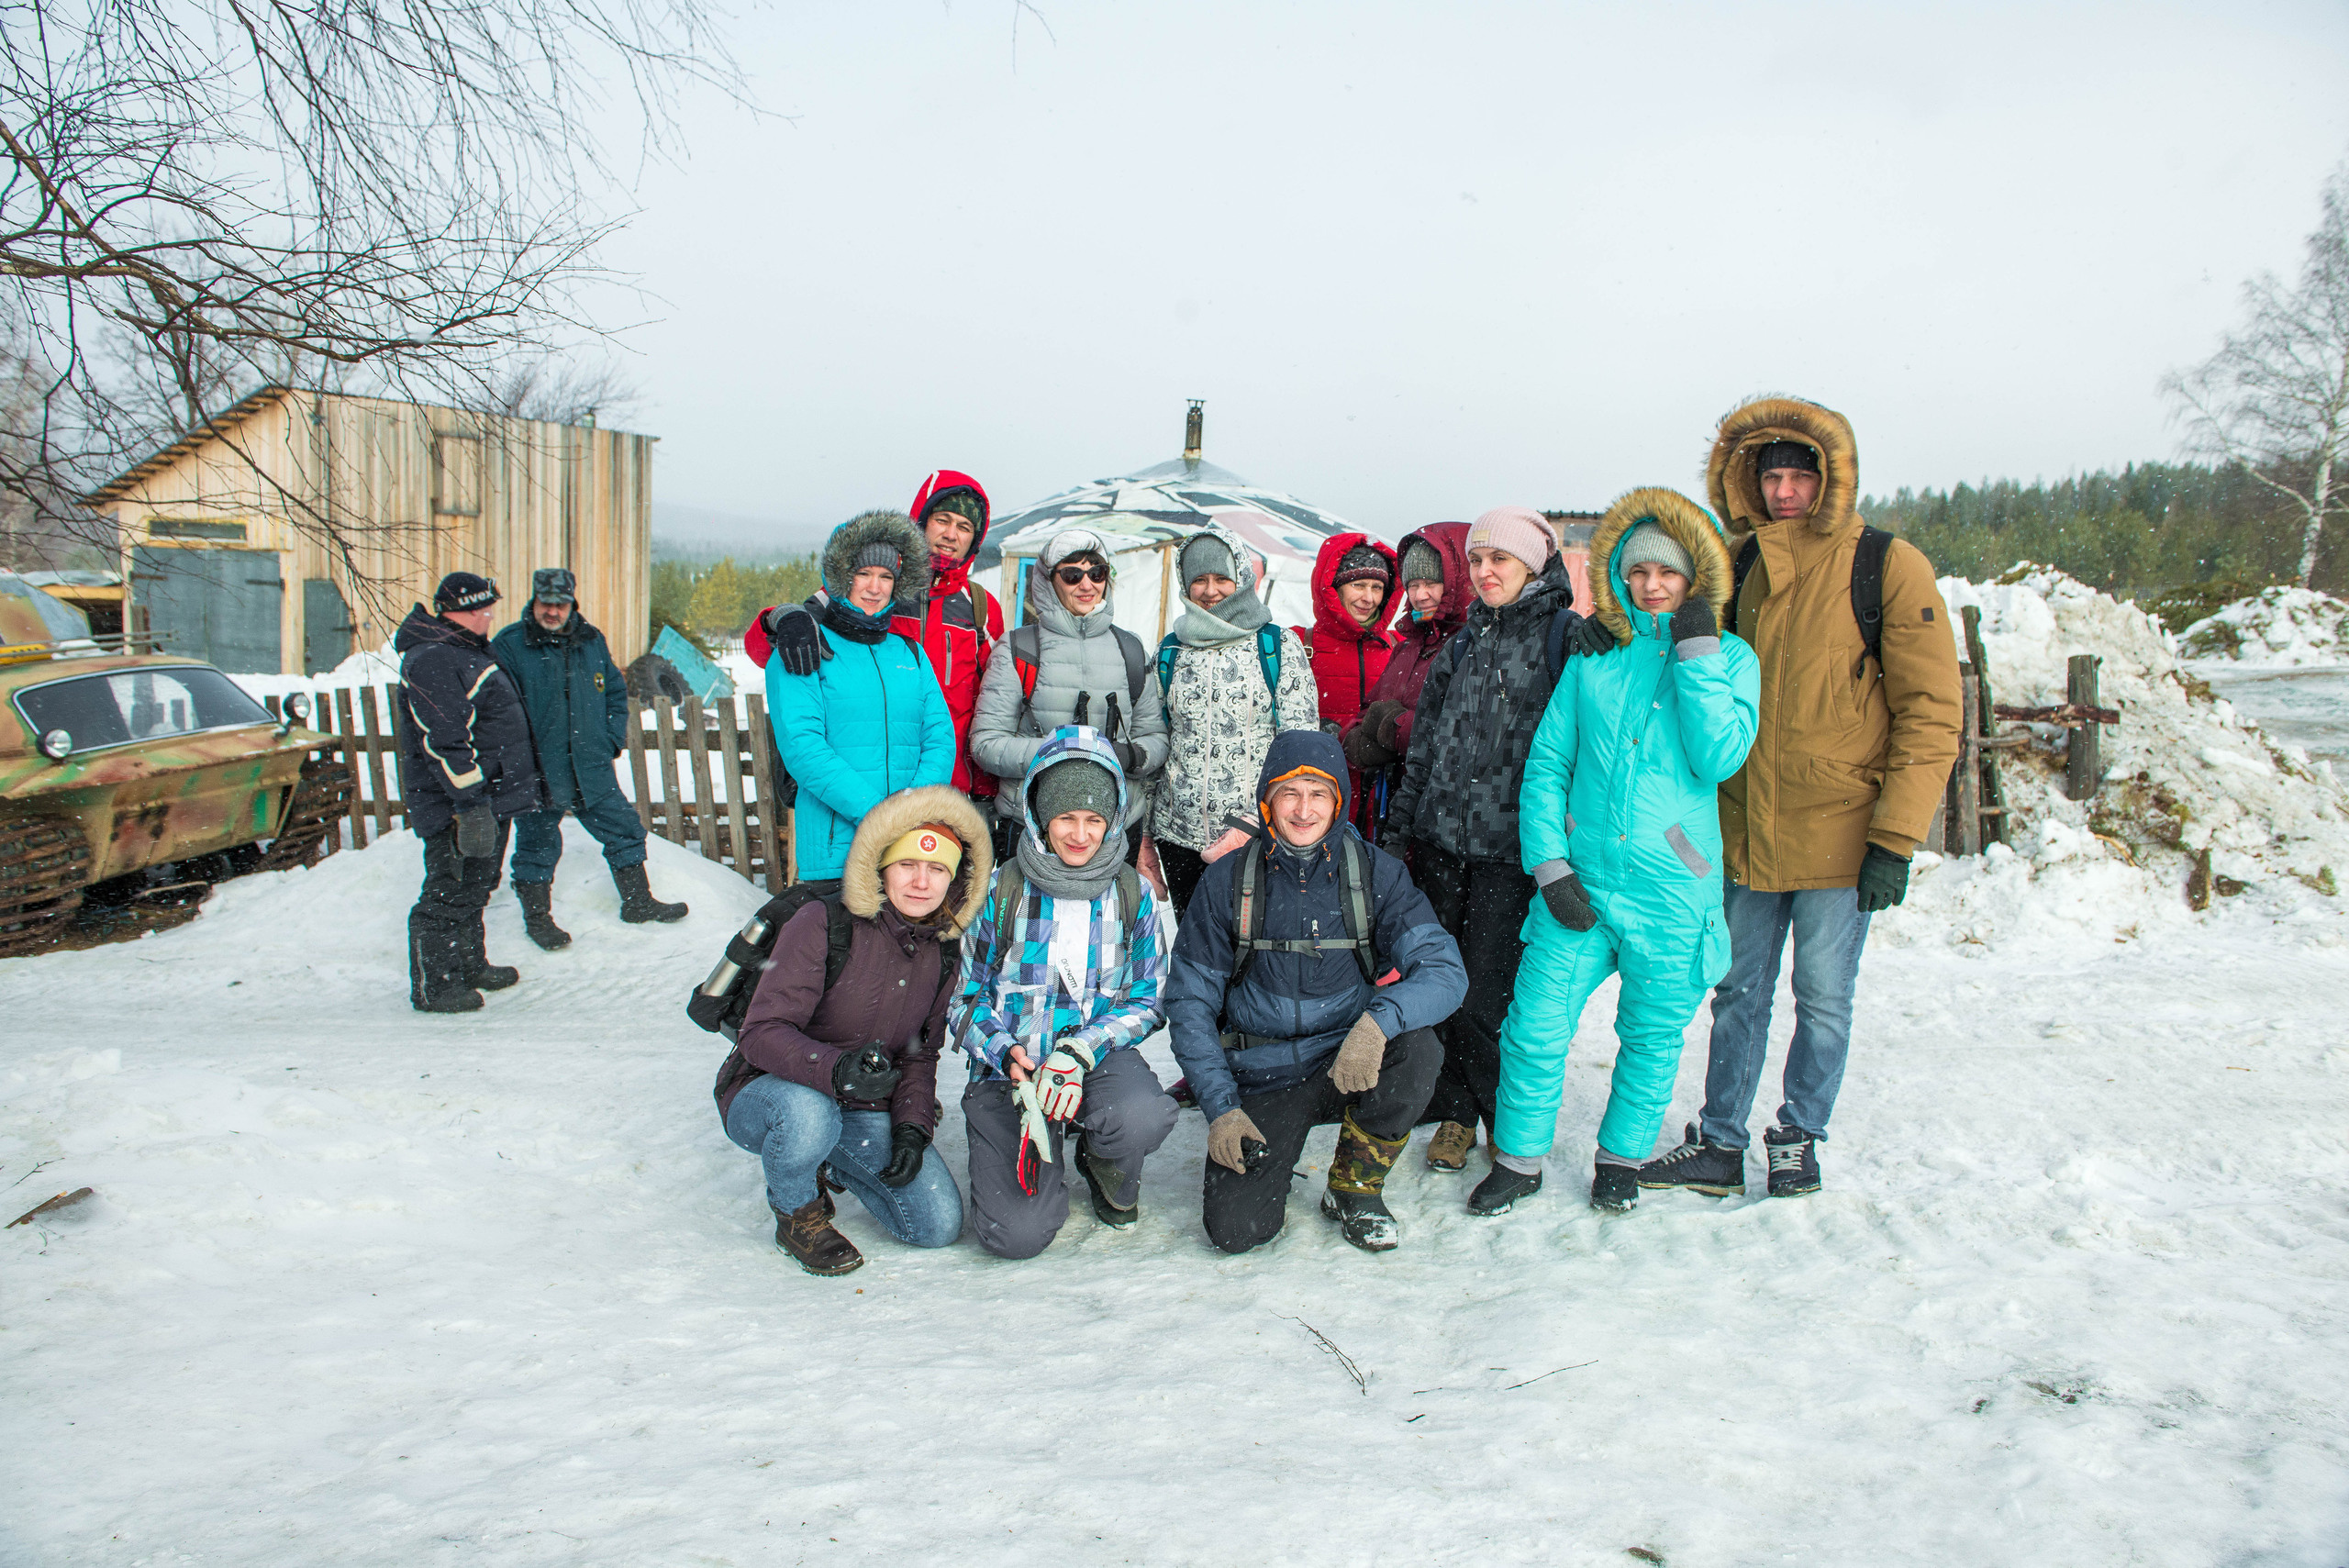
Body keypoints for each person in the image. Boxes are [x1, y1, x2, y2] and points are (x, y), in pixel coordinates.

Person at [1640, 397, 1960, 1199]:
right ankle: (1719, 1141)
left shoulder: (1885, 564)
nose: (1785, 492)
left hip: (1841, 831)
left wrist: (1895, 837)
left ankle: (1797, 1135)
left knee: (1821, 997)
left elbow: (1930, 712)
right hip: (1746, 827)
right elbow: (1674, 644)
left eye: (1799, 476)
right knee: (1737, 990)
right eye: (1771, 476)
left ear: (1832, 480)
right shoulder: (1736, 565)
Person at [1467, 490, 1759, 1218]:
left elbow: (1720, 754)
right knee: (1534, 1026)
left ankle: (1620, 1160)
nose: (1652, 585)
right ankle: (1519, 1159)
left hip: (1673, 891)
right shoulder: (1596, 660)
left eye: (1668, 572)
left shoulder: (1730, 658)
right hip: (1584, 884)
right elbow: (1545, 768)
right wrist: (1552, 866)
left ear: (1698, 577)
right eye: (1638, 573)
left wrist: (1694, 650)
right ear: (1620, 578)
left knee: (1652, 1036)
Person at [1163, 731, 1467, 1254]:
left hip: (1350, 1058)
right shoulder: (1227, 882)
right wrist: (1221, 1108)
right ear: (1267, 801)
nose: (1304, 810)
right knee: (1237, 1232)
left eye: (1318, 794)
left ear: (1339, 801)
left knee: (1419, 1050)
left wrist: (1378, 1024)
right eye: (1289, 793)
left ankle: (1355, 1185)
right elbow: (1189, 1003)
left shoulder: (1377, 873)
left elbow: (1445, 972)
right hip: (1265, 1073)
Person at [1385, 506, 1609, 1174]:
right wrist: (1400, 835)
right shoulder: (1461, 642)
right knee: (1442, 988)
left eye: (1500, 560)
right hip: (1443, 845)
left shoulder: (1565, 639)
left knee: (1490, 997)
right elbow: (1422, 748)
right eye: (1477, 560)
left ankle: (1498, 1114)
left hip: (1512, 852)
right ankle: (1454, 1112)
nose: (1485, 572)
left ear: (1534, 564)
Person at [715, 785, 992, 1274]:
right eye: (908, 864)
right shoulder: (823, 921)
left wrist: (911, 1128)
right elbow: (760, 1033)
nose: (921, 882)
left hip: (861, 1106)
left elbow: (918, 1054)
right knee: (808, 1114)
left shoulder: (945, 949)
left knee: (936, 1225)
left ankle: (828, 1157)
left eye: (937, 870)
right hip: (772, 1092)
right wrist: (837, 1068)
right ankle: (797, 1212)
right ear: (881, 865)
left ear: (955, 881)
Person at [952, 728, 1176, 1258]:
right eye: (1066, 818)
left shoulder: (1131, 893)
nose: (1080, 834)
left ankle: (1103, 1161)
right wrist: (1004, 1052)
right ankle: (1021, 1151)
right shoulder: (999, 889)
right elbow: (964, 997)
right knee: (1017, 1236)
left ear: (1113, 820)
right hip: (1014, 1067)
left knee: (1142, 1115)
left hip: (1093, 1059)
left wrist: (1081, 1051)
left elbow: (1149, 996)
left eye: (1094, 819)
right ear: (1039, 817)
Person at [751, 470, 1004, 814]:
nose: (950, 534)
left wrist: (985, 791)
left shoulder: (980, 607)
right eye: (942, 520)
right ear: (920, 521)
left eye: (964, 527)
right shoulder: (873, 589)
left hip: (947, 787)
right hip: (853, 789)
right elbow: (770, 651)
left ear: (975, 539)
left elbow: (992, 702)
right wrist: (778, 618)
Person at [491, 566, 685, 949]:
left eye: (560, 604)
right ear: (534, 601)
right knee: (537, 844)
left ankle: (638, 902)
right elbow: (497, 709)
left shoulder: (590, 640)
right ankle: (538, 919)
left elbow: (614, 692)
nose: (553, 612)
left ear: (571, 603)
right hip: (539, 769)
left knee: (624, 828)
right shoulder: (511, 645)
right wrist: (517, 758)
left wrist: (609, 740)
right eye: (546, 603)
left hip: (589, 764)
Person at [765, 510, 958, 889]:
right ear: (840, 578)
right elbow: (804, 749)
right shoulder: (804, 647)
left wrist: (911, 809)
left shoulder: (911, 654)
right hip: (837, 847)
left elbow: (939, 739)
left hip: (906, 849)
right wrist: (877, 813)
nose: (874, 587)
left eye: (886, 577)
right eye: (863, 574)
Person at [1144, 519, 1318, 915]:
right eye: (1198, 579)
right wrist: (1147, 836)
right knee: (1194, 950)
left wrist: (1251, 823)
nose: (1209, 591)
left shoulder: (1276, 645)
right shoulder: (1171, 651)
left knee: (1252, 953)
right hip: (1179, 837)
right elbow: (1156, 743)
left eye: (1221, 578)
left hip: (1258, 837)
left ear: (1241, 577)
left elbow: (1301, 747)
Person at [967, 527, 1168, 871]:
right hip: (1034, 825)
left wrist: (1128, 755)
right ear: (1049, 580)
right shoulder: (1018, 648)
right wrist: (1060, 750)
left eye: (1097, 573)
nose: (1087, 585)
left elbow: (1156, 737)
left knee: (1107, 925)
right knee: (1031, 925)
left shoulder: (1130, 648)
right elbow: (985, 743)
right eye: (1073, 574)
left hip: (1115, 827)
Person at [395, 572, 543, 1013]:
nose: (489, 616)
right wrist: (470, 803)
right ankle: (435, 985)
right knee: (449, 887)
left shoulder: (463, 650)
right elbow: (443, 739)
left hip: (488, 798)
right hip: (460, 805)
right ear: (460, 610)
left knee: (477, 884)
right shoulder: (435, 658)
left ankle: (468, 963)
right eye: (483, 609)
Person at [1340, 521, 1472, 842]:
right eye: (1412, 585)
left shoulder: (1471, 646)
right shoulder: (1409, 645)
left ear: (1457, 582)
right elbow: (1369, 712)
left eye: (1432, 583)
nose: (1420, 595)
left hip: (1444, 817)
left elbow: (1461, 733)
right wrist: (1355, 740)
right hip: (1392, 811)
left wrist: (1392, 727)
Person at [1297, 532, 1399, 840]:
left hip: (1381, 797)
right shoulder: (1301, 643)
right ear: (1333, 588)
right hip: (1315, 794)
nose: (1368, 598)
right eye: (1358, 585)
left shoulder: (1399, 646)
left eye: (1377, 587)